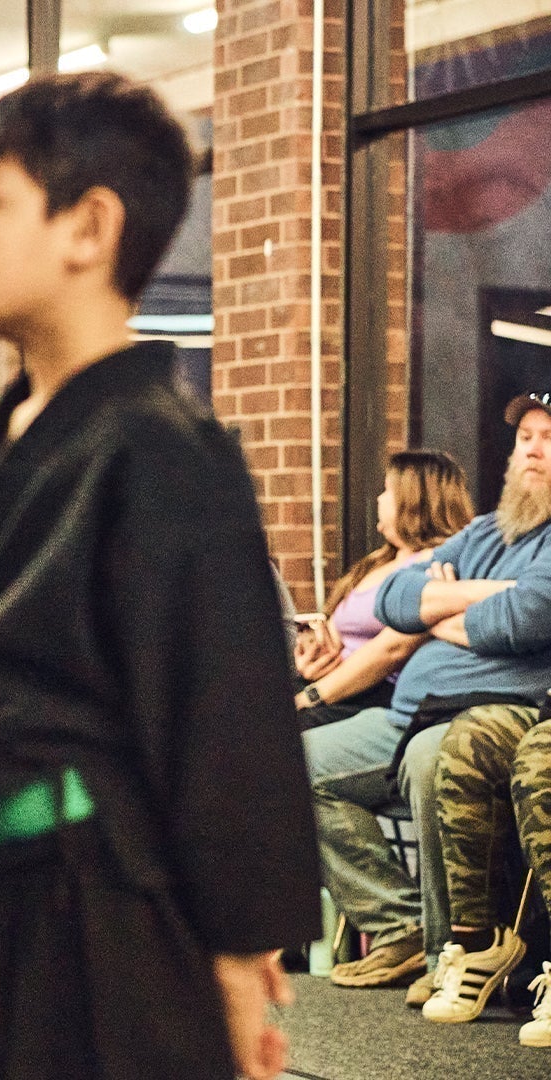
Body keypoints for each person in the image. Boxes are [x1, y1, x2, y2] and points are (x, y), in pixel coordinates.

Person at [0, 71, 320, 1080]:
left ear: (89, 228)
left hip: (110, 910)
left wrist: (236, 957)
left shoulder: (162, 443)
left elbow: (225, 718)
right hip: (11, 887)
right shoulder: (15, 430)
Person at [310, 395, 551, 1004]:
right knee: (290, 764)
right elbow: (397, 597)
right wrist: (478, 595)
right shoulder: (487, 531)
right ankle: (400, 925)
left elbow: (523, 619)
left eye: (548, 437)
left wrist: (438, 608)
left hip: (487, 713)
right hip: (403, 713)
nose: (532, 448)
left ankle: (453, 955)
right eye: (525, 435)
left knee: (431, 759)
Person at [293, 451, 472, 729]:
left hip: (372, 693)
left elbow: (392, 649)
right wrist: (311, 658)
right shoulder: (381, 560)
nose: (378, 499)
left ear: (413, 501)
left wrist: (313, 694)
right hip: (333, 684)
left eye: (386, 490)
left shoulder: (434, 564)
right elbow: (337, 635)